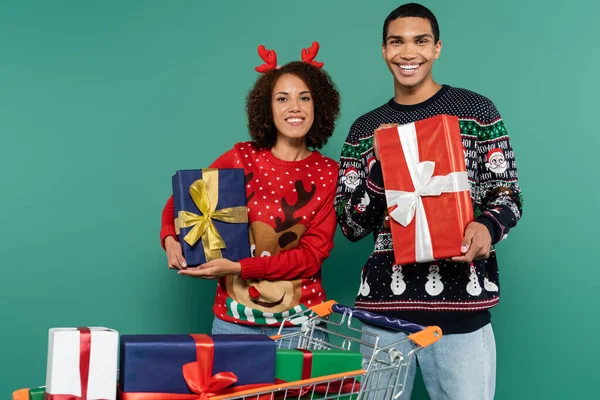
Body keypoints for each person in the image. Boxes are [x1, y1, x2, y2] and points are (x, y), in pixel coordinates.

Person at [335, 4, 522, 399]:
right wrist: (380, 167)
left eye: (420, 41)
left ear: (437, 48)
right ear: (384, 50)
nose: (408, 53)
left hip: (460, 305)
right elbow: (350, 224)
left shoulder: (476, 112)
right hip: (383, 310)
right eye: (396, 42)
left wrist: (486, 227)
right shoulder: (364, 129)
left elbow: (508, 193)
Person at [160, 43, 340, 340]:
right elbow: (183, 201)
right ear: (267, 108)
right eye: (282, 98)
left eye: (304, 98)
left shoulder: (330, 173)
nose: (294, 107)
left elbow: (310, 257)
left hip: (300, 325)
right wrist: (170, 237)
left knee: (299, 389)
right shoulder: (242, 157)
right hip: (233, 322)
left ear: (318, 106)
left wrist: (240, 267)